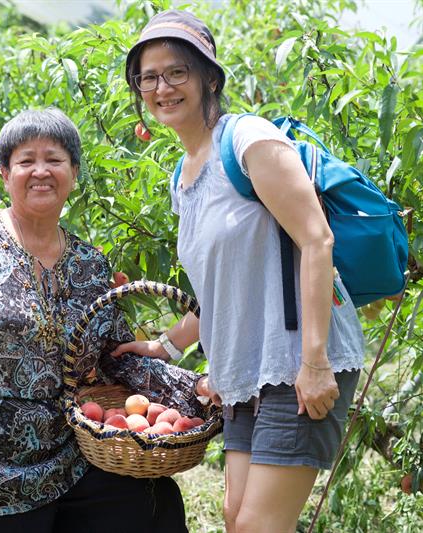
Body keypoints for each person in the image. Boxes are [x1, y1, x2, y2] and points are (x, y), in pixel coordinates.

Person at [0, 107, 201, 532]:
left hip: (69, 457)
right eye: (25, 161)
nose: (40, 171)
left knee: (153, 505)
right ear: (4, 172)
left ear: (73, 172)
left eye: (54, 159)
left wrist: (191, 390)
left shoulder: (90, 264)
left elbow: (115, 358)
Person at [116, 10, 364, 533]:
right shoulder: (183, 177)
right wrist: (165, 345)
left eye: (177, 71)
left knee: (257, 527)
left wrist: (315, 363)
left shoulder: (248, 138)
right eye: (149, 77)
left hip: (296, 362)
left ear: (209, 76)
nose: (163, 87)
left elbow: (317, 238)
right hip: (243, 374)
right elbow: (221, 290)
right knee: (236, 519)